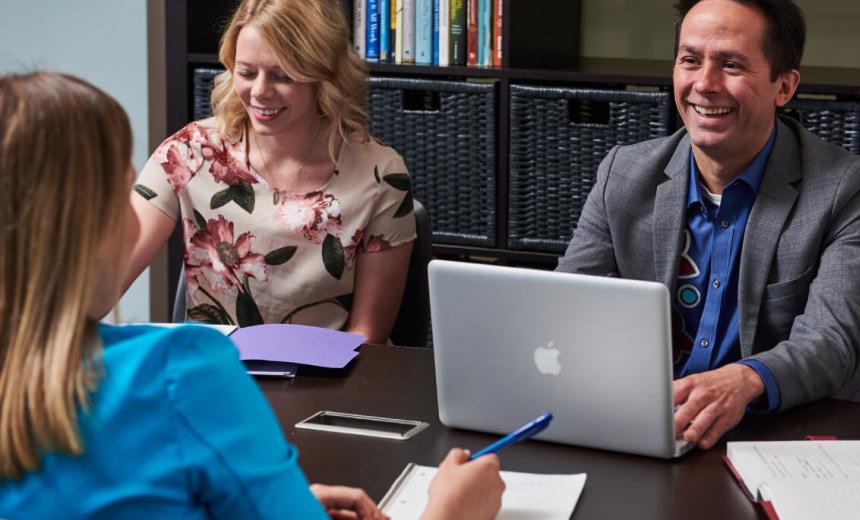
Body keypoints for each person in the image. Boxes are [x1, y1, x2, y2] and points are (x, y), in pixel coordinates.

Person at [0, 71, 504, 519]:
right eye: (123, 193)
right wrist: (453, 511)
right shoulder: (181, 373)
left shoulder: (377, 169)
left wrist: (261, 498)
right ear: (84, 228)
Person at [557, 0, 860, 449]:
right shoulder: (625, 174)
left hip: (795, 432)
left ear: (784, 86)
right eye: (690, 60)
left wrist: (745, 380)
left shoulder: (849, 187)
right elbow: (565, 305)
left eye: (732, 65)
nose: (704, 84)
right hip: (659, 425)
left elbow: (833, 339)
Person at [127, 0, 413, 341]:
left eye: (282, 76)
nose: (260, 91)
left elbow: (367, 337)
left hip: (331, 386)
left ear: (324, 77)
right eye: (246, 73)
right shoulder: (190, 152)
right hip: (215, 378)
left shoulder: (381, 175)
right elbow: (111, 271)